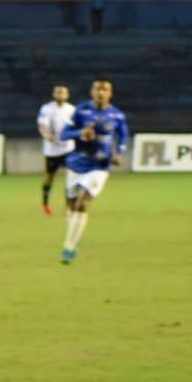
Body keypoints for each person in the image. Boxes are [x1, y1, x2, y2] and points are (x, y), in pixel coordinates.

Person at [58, 78, 128, 264]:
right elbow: (63, 134)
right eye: (97, 89)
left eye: (105, 89)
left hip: (100, 166)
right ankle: (75, 239)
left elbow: (123, 136)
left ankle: (68, 248)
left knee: (82, 203)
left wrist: (119, 153)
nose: (101, 92)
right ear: (92, 92)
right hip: (76, 164)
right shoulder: (80, 111)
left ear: (110, 94)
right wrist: (79, 133)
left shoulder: (117, 115)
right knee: (71, 207)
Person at [36, 85, 75, 217]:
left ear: (67, 95)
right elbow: (42, 125)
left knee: (71, 176)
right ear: (54, 94)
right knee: (49, 177)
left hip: (68, 149)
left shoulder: (71, 109)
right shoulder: (47, 108)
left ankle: (68, 206)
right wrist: (46, 135)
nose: (60, 95)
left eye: (63, 92)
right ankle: (45, 204)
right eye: (58, 92)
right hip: (52, 151)